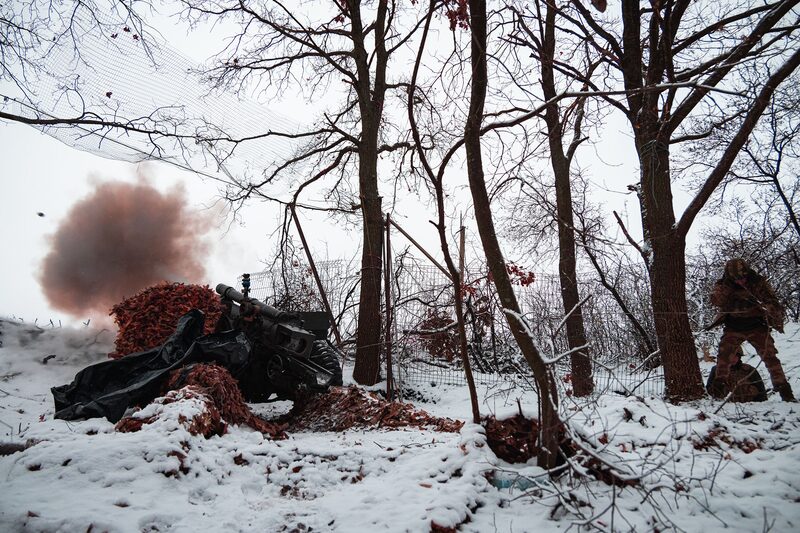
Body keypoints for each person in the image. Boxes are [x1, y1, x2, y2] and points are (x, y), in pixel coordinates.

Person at [709, 258, 794, 401]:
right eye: (736, 279)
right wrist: (728, 288)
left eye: (742, 278)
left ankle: (786, 394)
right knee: (723, 359)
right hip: (733, 327)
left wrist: (765, 307)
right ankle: (717, 394)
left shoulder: (758, 282)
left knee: (771, 359)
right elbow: (716, 301)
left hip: (757, 326)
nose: (740, 281)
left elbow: (773, 302)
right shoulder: (724, 285)